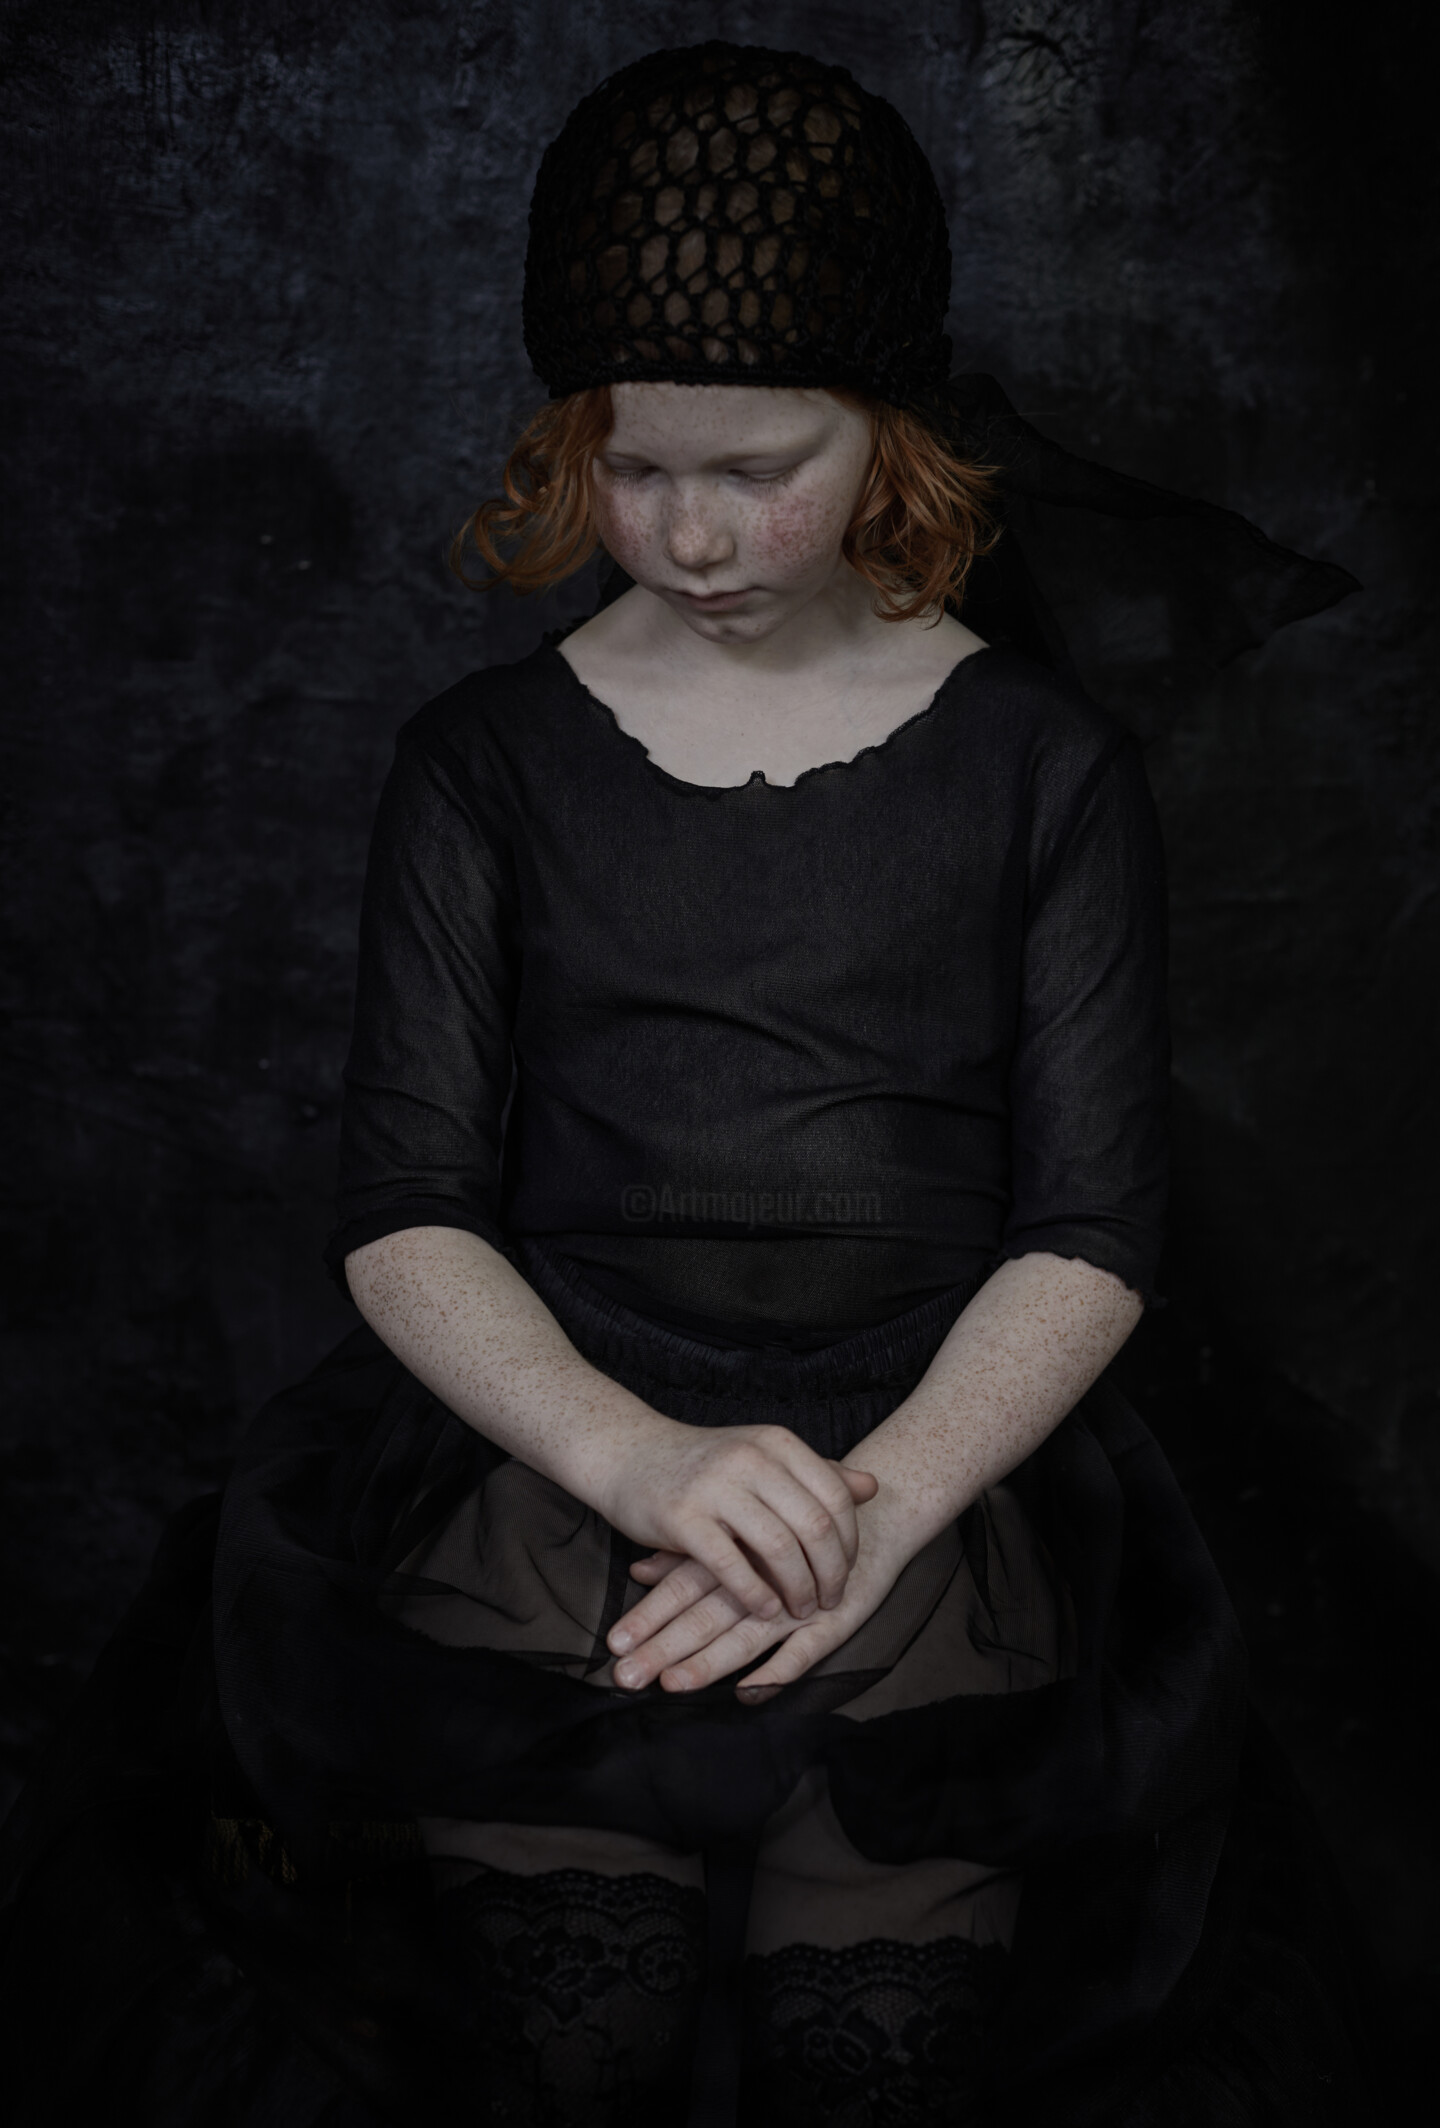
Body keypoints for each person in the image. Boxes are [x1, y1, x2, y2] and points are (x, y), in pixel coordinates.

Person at [0, 39, 1382, 2128]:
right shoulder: (483, 763)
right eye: (639, 469)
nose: (696, 532)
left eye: (761, 466)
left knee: (874, 2037)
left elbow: (1092, 1222)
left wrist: (884, 1510)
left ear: (893, 434)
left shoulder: (1044, 768)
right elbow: (406, 1206)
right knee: (573, 2026)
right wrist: (636, 1463)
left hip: (935, 1451)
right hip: (552, 1445)